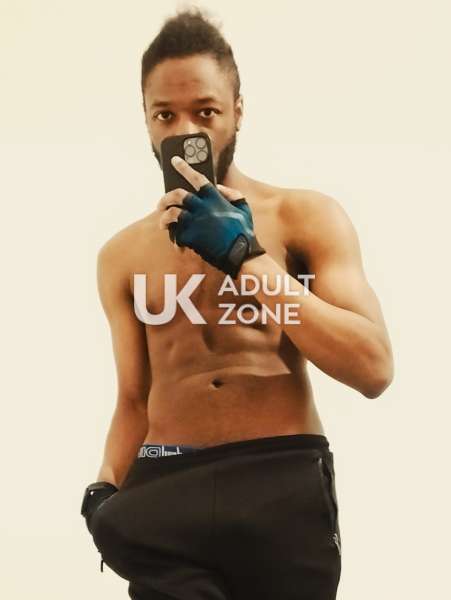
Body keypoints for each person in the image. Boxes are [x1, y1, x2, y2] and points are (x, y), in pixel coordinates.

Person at [80, 7, 394, 600]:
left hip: (278, 479)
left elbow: (372, 367)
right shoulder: (120, 256)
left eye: (205, 112)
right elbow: (133, 398)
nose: (186, 131)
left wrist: (247, 257)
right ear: (145, 119)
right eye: (165, 115)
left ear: (238, 111)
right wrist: (104, 488)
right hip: (165, 482)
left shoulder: (304, 217)